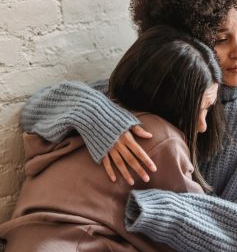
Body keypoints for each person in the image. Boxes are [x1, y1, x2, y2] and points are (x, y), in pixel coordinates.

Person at [20, 0, 237, 252]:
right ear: (188, 40)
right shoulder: (169, 81)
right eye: (221, 39)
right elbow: (36, 110)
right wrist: (97, 117)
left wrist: (160, 209)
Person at [0, 26, 223, 252]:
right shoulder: (160, 138)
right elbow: (198, 229)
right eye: (202, 109)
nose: (202, 126)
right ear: (172, 102)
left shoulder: (94, 107)